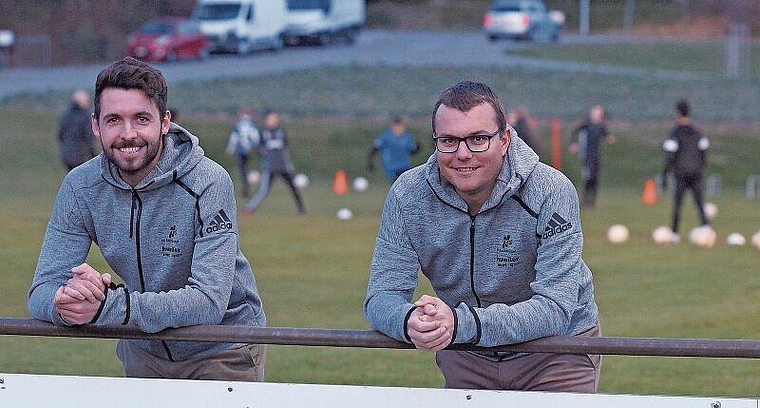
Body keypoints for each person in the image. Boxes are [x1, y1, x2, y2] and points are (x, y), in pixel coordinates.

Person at [27, 57, 266, 381]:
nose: (128, 134)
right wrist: (68, 303)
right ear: (96, 125)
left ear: (164, 122)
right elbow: (42, 289)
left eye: (141, 119)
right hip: (143, 347)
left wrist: (105, 308)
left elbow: (209, 301)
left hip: (220, 347)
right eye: (114, 120)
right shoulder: (80, 186)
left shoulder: (209, 181)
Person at [364, 81, 601, 393]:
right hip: (466, 352)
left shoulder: (551, 190)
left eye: (478, 139)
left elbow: (555, 308)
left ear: (504, 140)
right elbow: (381, 296)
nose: (463, 154)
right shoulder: (408, 196)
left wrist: (461, 324)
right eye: (448, 140)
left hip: (555, 353)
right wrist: (409, 321)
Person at [662, 99, 710, 243]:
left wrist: (665, 175)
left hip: (681, 172)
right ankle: (707, 229)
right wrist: (700, 165)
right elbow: (704, 149)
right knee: (699, 202)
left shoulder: (675, 133)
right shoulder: (697, 132)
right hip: (696, 172)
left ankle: (675, 234)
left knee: (678, 203)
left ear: (677, 112)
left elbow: (670, 155)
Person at [243, 109, 305, 215]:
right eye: (271, 118)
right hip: (270, 166)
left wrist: (289, 164)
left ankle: (301, 209)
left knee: (293, 187)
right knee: (263, 189)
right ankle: (249, 208)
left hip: (283, 166)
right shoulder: (263, 133)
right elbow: (259, 148)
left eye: (275, 118)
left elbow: (285, 149)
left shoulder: (281, 131)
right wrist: (263, 156)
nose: (274, 120)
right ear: (266, 120)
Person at [569, 105, 615, 208]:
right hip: (586, 156)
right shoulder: (585, 124)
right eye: (596, 111)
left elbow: (607, 135)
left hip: (596, 156)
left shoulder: (601, 125)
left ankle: (592, 201)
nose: (598, 114)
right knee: (588, 177)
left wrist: (610, 138)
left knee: (595, 178)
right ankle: (585, 201)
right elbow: (574, 132)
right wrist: (574, 143)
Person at [367, 115, 420, 182]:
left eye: (400, 125)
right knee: (397, 185)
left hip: (404, 166)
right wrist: (370, 161)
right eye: (396, 125)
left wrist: (417, 148)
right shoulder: (386, 135)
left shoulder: (407, 136)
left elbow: (412, 151)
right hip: (390, 167)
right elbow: (375, 148)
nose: (398, 128)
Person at [225, 107, 260, 198]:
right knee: (245, 168)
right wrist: (254, 146)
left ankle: (245, 187)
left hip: (241, 150)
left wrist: (231, 148)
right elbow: (255, 136)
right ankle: (247, 187)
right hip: (249, 150)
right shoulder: (252, 124)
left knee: (242, 169)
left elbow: (234, 137)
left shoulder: (238, 124)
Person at [58, 89, 96, 171]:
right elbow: (89, 137)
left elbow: (60, 135)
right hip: (82, 156)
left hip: (67, 155)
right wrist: (93, 154)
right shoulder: (86, 116)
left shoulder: (66, 116)